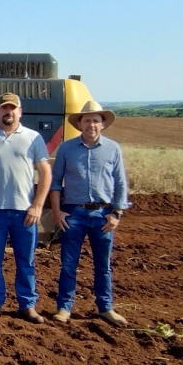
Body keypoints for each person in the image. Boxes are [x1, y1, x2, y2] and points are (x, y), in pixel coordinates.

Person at [0, 92, 52, 324]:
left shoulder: (33, 138)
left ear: (20, 112)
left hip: (24, 212)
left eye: (12, 108)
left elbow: (45, 172)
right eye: (4, 108)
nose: (8, 112)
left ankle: (28, 304)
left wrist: (37, 206)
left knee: (26, 260)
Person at [50, 100, 129, 327]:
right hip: (73, 213)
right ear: (80, 124)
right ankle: (64, 308)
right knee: (68, 264)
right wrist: (57, 211)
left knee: (102, 265)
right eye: (87, 120)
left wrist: (116, 214)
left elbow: (121, 183)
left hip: (103, 215)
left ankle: (105, 308)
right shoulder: (66, 149)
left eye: (95, 120)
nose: (91, 125)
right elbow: (56, 182)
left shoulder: (113, 149)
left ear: (102, 124)